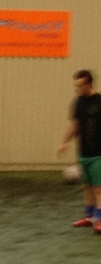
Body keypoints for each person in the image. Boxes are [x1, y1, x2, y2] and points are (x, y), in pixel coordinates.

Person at [57, 69, 101, 234]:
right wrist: (64, 142)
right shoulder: (78, 102)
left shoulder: (99, 101)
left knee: (98, 188)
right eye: (76, 85)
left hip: (98, 154)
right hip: (84, 152)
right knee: (88, 186)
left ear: (89, 84)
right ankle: (89, 217)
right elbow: (74, 125)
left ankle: (99, 219)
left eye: (80, 85)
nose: (77, 89)